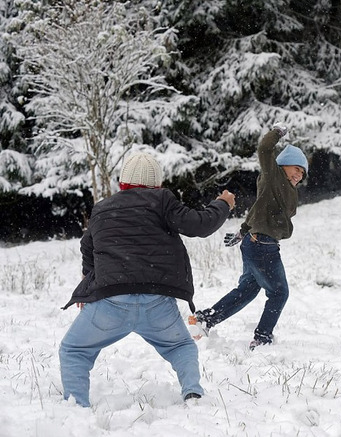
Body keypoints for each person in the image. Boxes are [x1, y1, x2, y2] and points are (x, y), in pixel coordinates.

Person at [59, 152, 235, 407]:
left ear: (122, 182)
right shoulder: (162, 200)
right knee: (181, 347)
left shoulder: (102, 208)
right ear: (157, 183)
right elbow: (199, 225)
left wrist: (87, 288)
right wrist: (223, 204)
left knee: (74, 349)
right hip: (157, 303)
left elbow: (88, 248)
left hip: (111, 302)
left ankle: (76, 407)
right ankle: (193, 393)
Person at [189, 123, 308, 350]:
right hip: (263, 246)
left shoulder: (283, 189)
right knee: (279, 292)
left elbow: (258, 208)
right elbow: (264, 149)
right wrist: (277, 133)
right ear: (283, 165)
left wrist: (243, 231)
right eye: (296, 168)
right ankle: (262, 338)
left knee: (247, 290)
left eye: (302, 173)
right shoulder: (273, 176)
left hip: (256, 243)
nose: (299, 175)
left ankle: (205, 319)